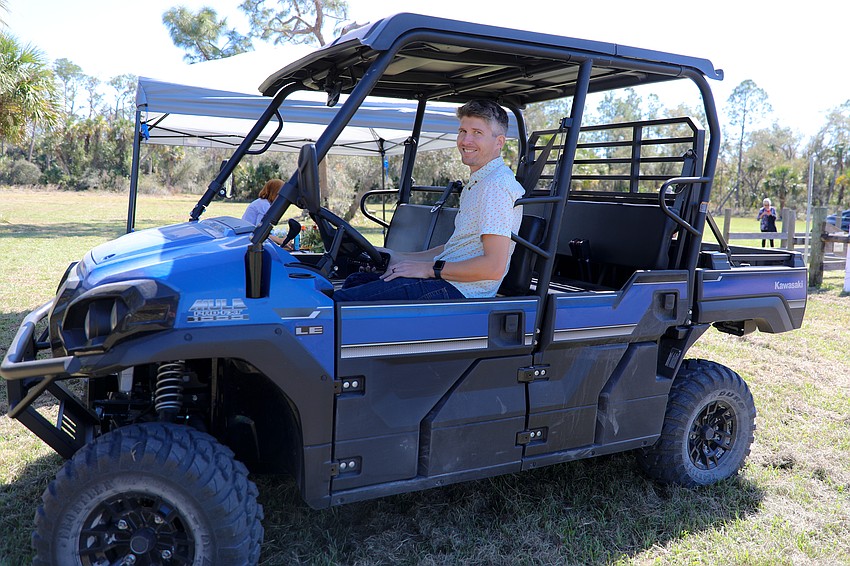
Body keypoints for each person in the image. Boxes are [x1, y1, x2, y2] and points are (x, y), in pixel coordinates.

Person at [334, 99, 524, 302]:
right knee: (356, 280)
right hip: (447, 282)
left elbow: (493, 267)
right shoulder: (480, 182)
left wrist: (427, 269)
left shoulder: (496, 186)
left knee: (339, 303)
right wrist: (398, 256)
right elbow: (453, 249)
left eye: (477, 133)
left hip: (460, 291)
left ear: (499, 142)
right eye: (462, 131)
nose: (465, 141)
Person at [242, 178, 291, 248]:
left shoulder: (261, 202)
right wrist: (280, 240)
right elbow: (260, 233)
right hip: (249, 241)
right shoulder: (264, 205)